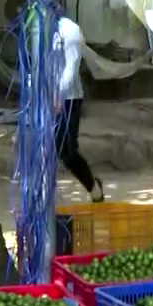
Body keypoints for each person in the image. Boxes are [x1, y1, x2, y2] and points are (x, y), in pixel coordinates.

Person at [54, 13, 104, 202]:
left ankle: (94, 189)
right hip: (46, 96)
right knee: (48, 150)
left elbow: (71, 68)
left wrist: (58, 95)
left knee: (67, 152)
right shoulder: (38, 32)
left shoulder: (70, 31)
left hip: (67, 99)